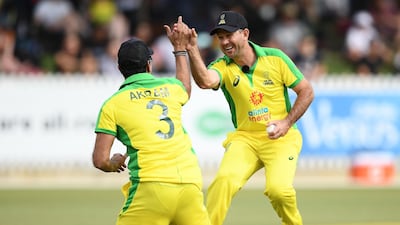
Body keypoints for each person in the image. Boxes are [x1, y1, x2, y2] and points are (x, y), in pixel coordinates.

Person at [174, 11, 314, 225]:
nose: (225, 42)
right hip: (245, 139)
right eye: (220, 37)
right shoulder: (222, 66)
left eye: (229, 35)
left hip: (281, 139)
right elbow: (205, 81)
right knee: (223, 182)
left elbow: (306, 91)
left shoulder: (275, 58)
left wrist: (286, 123)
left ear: (245, 34)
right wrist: (191, 48)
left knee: (279, 191)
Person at [91, 16, 210, 225]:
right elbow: (186, 86)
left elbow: (100, 160)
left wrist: (113, 164)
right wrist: (180, 48)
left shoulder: (113, 104)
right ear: (149, 65)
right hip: (190, 183)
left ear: (120, 69)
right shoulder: (171, 89)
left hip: (151, 187)